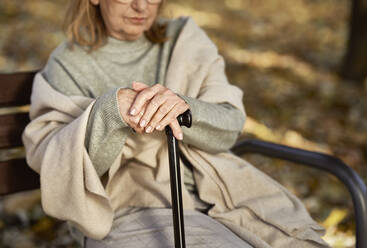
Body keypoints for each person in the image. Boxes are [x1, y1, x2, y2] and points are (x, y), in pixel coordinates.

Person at [22, 0, 330, 247]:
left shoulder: (184, 39)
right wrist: (110, 112)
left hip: (225, 195)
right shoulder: (69, 64)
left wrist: (184, 107)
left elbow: (229, 126)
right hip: (134, 208)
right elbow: (71, 171)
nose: (142, 6)